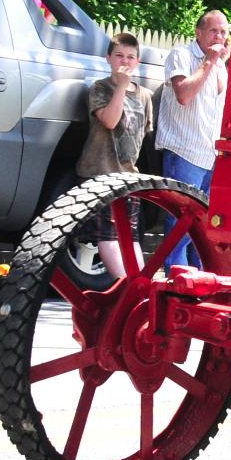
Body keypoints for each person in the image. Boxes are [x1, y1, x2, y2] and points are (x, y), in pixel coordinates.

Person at [73, 33, 154, 280]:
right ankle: (127, 287)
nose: (124, 62)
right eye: (119, 56)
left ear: (137, 61)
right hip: (100, 173)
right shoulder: (100, 88)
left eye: (130, 57)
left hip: (128, 177)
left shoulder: (145, 96)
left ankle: (141, 285)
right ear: (108, 58)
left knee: (130, 237)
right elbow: (109, 121)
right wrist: (121, 86)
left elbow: (142, 134)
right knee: (106, 236)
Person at [155, 10, 230, 268]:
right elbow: (184, 95)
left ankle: (198, 280)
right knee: (179, 225)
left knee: (203, 227)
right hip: (184, 151)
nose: (219, 37)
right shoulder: (182, 55)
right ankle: (175, 278)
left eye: (223, 32)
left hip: (211, 156)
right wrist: (208, 62)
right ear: (198, 33)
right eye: (213, 31)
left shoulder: (221, 65)